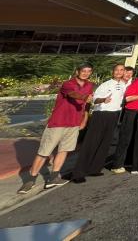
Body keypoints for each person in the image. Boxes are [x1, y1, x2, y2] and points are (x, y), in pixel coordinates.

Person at [19, 64, 94, 194]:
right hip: (58, 122)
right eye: (83, 71)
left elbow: (87, 104)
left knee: (64, 150)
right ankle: (30, 180)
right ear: (77, 71)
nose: (86, 73)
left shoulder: (89, 85)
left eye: (88, 71)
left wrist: (85, 119)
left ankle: (53, 177)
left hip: (74, 123)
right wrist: (83, 97)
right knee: (44, 152)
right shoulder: (67, 84)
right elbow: (72, 94)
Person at [71, 63, 126, 184]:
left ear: (123, 72)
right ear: (113, 71)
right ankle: (78, 173)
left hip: (114, 114)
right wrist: (104, 100)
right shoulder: (105, 84)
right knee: (92, 142)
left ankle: (94, 168)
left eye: (121, 70)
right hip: (101, 114)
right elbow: (95, 100)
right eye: (116, 70)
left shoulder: (123, 85)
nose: (119, 72)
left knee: (105, 143)